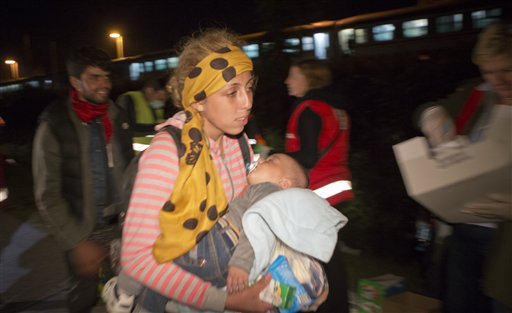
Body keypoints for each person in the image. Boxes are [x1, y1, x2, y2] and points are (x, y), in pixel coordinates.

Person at [119, 28, 273, 313]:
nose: (247, 102)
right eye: (232, 92)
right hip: (176, 298)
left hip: (226, 278)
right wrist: (224, 301)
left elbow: (249, 213)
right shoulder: (168, 154)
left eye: (249, 87)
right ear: (198, 99)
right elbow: (138, 258)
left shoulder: (237, 142)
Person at [105, 153, 340, 312]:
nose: (263, 159)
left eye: (272, 160)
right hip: (220, 264)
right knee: (167, 280)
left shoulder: (268, 190)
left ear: (285, 183)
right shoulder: (284, 214)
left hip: (221, 244)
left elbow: (257, 225)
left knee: (160, 247)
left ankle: (123, 288)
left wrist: (240, 264)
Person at [416, 22, 512, 313]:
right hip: (464, 231)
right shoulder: (478, 95)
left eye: (507, 70)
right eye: (487, 71)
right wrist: (433, 117)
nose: (497, 81)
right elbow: (426, 110)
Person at [32, 46, 134, 313]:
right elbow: (47, 194)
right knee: (84, 297)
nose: (104, 85)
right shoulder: (55, 124)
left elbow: (131, 172)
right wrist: (76, 241)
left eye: (107, 77)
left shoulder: (117, 117)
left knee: (129, 294)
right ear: (75, 82)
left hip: (124, 227)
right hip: (84, 230)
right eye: (94, 77)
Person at [284, 58, 353, 313]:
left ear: (309, 79)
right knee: (331, 258)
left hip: (319, 193)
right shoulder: (336, 108)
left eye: (293, 75)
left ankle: (325, 307)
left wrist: (274, 160)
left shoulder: (309, 108)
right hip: (338, 191)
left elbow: (309, 156)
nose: (287, 81)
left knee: (318, 261)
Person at [116, 74, 171, 152]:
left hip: (152, 155)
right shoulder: (130, 99)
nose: (163, 103)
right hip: (134, 157)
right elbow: (126, 129)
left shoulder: (156, 108)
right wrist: (156, 127)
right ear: (149, 90)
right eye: (160, 99)